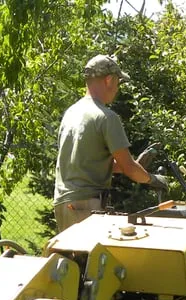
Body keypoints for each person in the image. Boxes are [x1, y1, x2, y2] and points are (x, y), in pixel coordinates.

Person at [53, 55, 168, 232]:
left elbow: (87, 162)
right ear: (109, 80)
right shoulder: (107, 117)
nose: (117, 89)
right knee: (94, 259)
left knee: (73, 259)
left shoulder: (71, 113)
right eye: (118, 82)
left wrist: (130, 165)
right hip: (87, 204)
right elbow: (129, 168)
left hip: (63, 203)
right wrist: (153, 179)